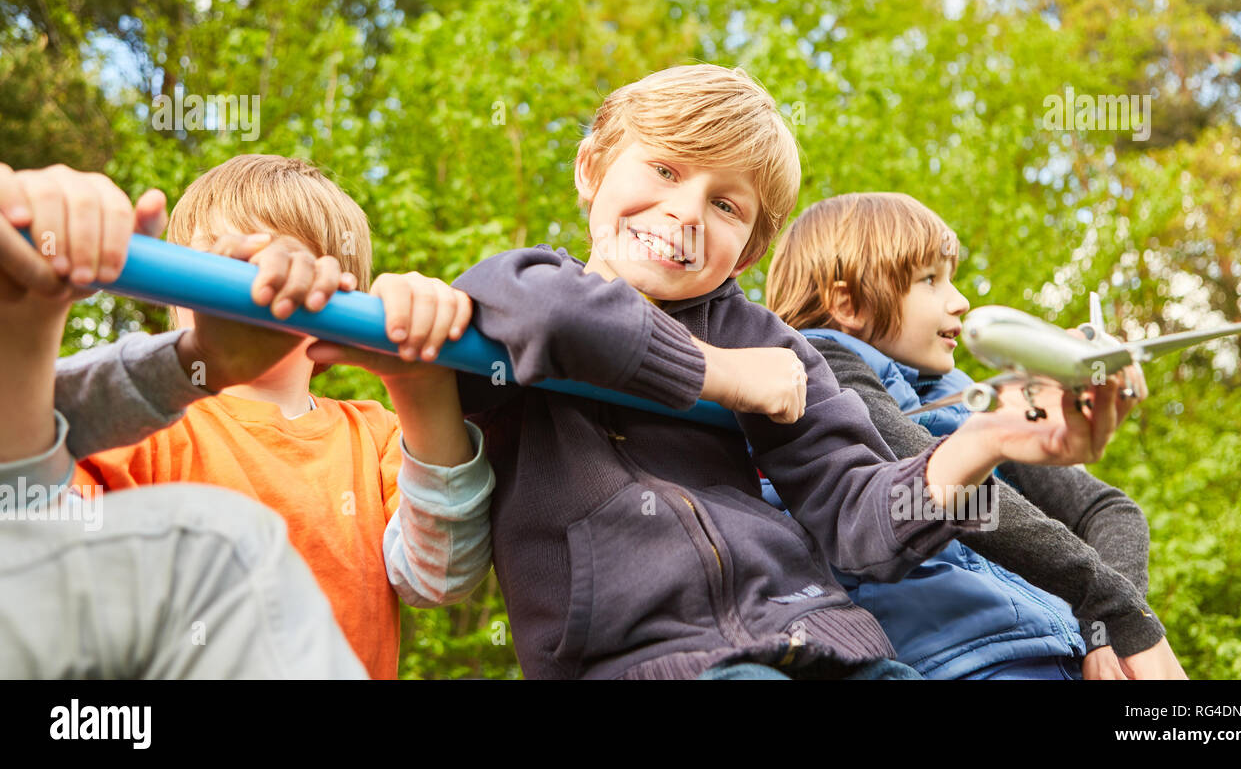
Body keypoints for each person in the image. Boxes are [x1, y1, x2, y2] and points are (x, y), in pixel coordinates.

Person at [447, 64, 1135, 680]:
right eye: (665, 169)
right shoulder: (527, 284)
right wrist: (716, 375)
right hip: (647, 658)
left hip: (835, 642)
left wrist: (981, 442)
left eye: (726, 205)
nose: (686, 213)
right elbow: (549, 319)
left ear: (747, 253)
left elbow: (859, 516)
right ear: (591, 167)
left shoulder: (774, 347)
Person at [0, 158, 493, 680]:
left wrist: (422, 387)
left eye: (286, 264)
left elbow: (439, 577)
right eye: (221, 262)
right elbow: (41, 556)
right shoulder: (140, 431)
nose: (250, 282)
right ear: (176, 292)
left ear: (341, 295)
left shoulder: (375, 435)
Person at [765, 191, 1187, 679]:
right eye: (930, 280)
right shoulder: (822, 374)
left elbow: (1105, 508)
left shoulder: (957, 390)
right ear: (848, 303)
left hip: (1055, 651)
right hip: (959, 664)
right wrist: (1120, 611)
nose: (960, 301)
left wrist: (1104, 632)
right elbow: (961, 496)